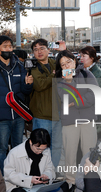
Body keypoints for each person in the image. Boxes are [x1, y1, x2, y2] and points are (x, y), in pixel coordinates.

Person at [0, 35, 33, 173]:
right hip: (1, 117)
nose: (8, 49)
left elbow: (25, 91)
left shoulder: (19, 67)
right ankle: (4, 177)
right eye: (5, 46)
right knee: (2, 149)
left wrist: (28, 84)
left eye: (10, 46)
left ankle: (19, 174)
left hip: (18, 115)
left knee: (18, 147)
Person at [55, 50, 98, 187]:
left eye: (69, 61)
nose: (67, 66)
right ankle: (70, 181)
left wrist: (75, 103)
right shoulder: (60, 79)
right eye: (63, 64)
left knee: (89, 151)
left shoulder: (86, 73)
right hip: (69, 121)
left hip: (87, 119)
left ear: (75, 60)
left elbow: (94, 94)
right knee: (70, 153)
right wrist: (69, 81)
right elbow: (65, 97)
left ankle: (89, 180)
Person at [4, 128, 72, 192]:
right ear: (30, 142)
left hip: (40, 186)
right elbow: (8, 174)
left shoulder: (46, 151)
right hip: (22, 187)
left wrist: (46, 175)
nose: (40, 152)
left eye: (43, 149)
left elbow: (50, 168)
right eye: (38, 149)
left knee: (64, 185)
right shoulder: (14, 153)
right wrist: (29, 179)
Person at [29, 38, 65, 168]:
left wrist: (63, 51)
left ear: (48, 50)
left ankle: (52, 171)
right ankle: (38, 170)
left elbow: (70, 68)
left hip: (58, 113)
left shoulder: (55, 63)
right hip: (42, 115)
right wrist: (54, 76)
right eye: (36, 49)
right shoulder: (33, 67)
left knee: (56, 147)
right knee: (39, 147)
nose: (39, 52)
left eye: (42, 48)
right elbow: (39, 85)